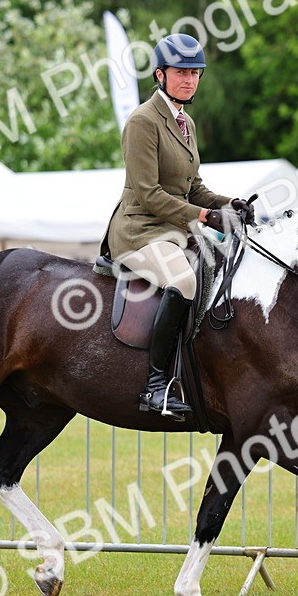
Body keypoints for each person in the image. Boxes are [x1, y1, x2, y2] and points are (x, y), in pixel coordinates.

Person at [101, 33, 253, 421]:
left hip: (174, 229)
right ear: (159, 75)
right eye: (180, 72)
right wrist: (205, 218)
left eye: (195, 73)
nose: (189, 80)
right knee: (183, 282)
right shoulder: (142, 122)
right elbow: (149, 194)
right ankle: (154, 387)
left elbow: (194, 188)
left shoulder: (186, 123)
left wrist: (227, 204)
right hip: (139, 231)